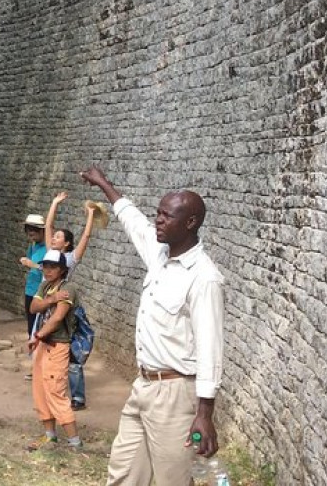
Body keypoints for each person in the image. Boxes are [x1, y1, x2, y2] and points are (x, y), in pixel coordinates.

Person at [80, 165, 224, 486]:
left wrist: (204, 413)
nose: (158, 220)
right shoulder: (160, 254)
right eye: (157, 213)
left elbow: (210, 348)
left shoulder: (204, 278)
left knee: (173, 481)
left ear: (190, 223)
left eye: (166, 216)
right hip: (143, 386)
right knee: (123, 475)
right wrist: (104, 184)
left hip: (176, 396)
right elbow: (132, 221)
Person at [25, 249, 83, 451]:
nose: (48, 270)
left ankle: (75, 442)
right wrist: (50, 299)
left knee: (55, 391)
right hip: (42, 345)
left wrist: (38, 336)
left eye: (53, 267)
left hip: (57, 345)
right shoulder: (45, 286)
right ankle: (50, 436)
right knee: (40, 390)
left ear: (62, 269)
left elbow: (58, 317)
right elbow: (33, 307)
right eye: (46, 266)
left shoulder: (69, 289)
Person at [44, 192, 96, 410]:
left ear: (66, 244)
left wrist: (91, 216)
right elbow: (47, 228)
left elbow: (85, 237)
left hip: (67, 307)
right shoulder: (50, 256)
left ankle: (77, 397)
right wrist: (54, 203)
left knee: (73, 354)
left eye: (58, 237)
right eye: (53, 237)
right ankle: (55, 390)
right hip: (50, 305)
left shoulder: (69, 259)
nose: (53, 238)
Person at [19, 213, 48, 338]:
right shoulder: (33, 245)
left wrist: (34, 265)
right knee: (31, 323)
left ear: (42, 231)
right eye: (28, 230)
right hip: (30, 289)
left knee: (41, 323)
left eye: (34, 230)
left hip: (42, 291)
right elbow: (30, 261)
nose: (31, 234)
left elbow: (51, 271)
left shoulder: (49, 248)